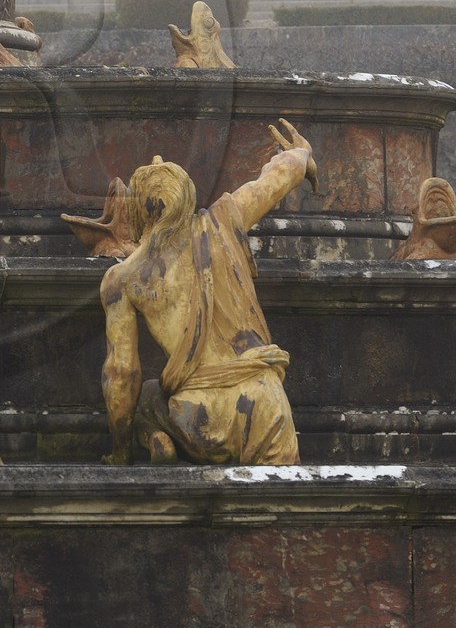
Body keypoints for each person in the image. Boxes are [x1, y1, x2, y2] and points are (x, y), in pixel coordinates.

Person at [100, 119, 316, 466]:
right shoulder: (222, 221)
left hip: (197, 416)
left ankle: (156, 436)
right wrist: (301, 155)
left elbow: (121, 375)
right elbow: (273, 181)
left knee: (146, 398)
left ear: (138, 208)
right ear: (186, 195)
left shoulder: (122, 278)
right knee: (281, 511)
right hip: (263, 400)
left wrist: (120, 452)